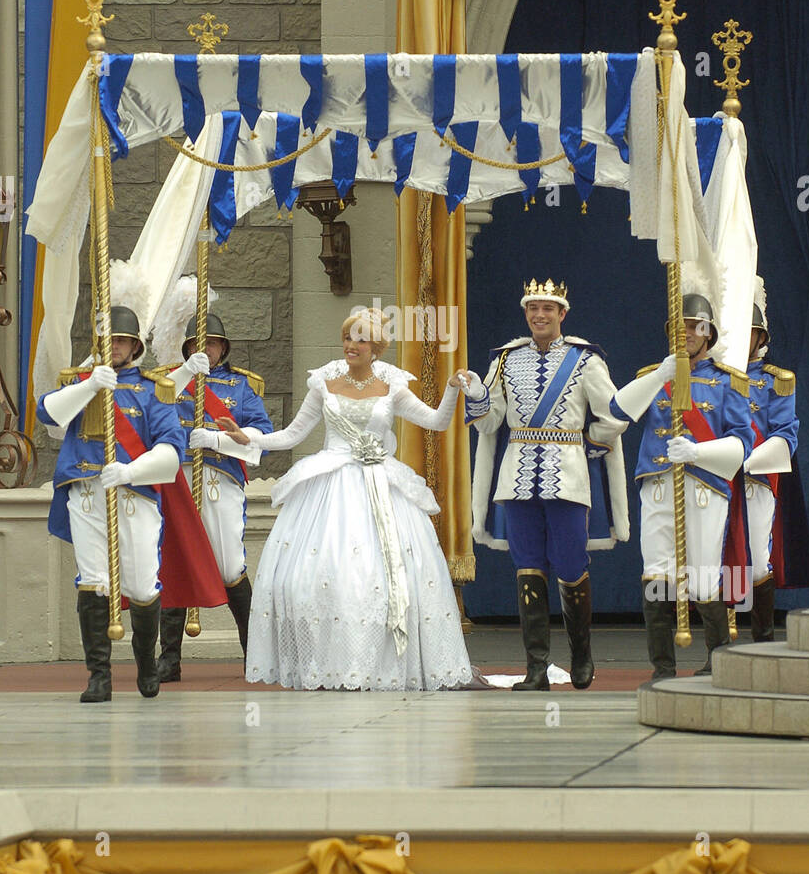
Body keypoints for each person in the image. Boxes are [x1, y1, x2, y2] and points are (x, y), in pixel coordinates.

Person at [201, 309, 474, 691]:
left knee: (379, 579)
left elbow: (437, 422)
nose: (351, 345)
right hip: (331, 488)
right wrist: (248, 439)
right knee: (322, 577)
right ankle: (326, 663)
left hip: (382, 486)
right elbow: (293, 435)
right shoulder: (324, 382)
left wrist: (451, 388)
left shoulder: (392, 385)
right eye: (348, 337)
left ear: (376, 347)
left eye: (361, 339)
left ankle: (381, 665)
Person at [465, 279, 629, 691]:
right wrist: (475, 394)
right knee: (528, 568)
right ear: (526, 313)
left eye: (548, 309)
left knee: (572, 566)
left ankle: (581, 655)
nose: (540, 315)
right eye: (533, 308)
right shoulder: (505, 360)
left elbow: (614, 415)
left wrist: (590, 443)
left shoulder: (585, 360)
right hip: (517, 478)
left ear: (562, 314)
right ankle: (536, 668)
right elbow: (489, 422)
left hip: (568, 477)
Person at [35, 307, 184, 702]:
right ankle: (98, 675)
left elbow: (172, 451)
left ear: (134, 346)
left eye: (122, 340)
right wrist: (88, 387)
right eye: (109, 339)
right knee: (93, 582)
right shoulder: (80, 382)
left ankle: (148, 667)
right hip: (87, 496)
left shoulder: (155, 389)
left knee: (141, 585)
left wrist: (131, 472)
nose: (115, 346)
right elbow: (46, 414)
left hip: (133, 497)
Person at [610, 293, 754, 680]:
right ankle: (662, 666)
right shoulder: (653, 376)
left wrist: (697, 451)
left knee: (705, 573)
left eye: (696, 327)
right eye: (681, 326)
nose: (687, 333)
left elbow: (743, 444)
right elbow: (617, 411)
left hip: (705, 488)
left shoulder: (729, 382)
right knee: (656, 575)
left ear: (708, 333)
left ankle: (718, 661)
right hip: (658, 486)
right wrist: (661, 376)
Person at [157, 313, 273, 681]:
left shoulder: (240, 387)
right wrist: (186, 374)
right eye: (197, 343)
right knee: (174, 563)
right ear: (187, 347)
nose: (204, 349)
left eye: (211, 343)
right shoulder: (170, 380)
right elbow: (150, 414)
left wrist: (217, 439)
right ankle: (169, 660)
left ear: (223, 347)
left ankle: (254, 654)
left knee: (229, 567)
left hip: (218, 481)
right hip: (177, 481)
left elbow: (262, 437)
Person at [742, 285, 800, 641]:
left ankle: (762, 640)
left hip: (754, 478)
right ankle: (718, 646)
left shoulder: (775, 381)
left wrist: (745, 459)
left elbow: (785, 435)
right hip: (711, 478)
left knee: (756, 559)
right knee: (715, 561)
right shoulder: (707, 377)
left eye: (749, 331)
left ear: (760, 336)